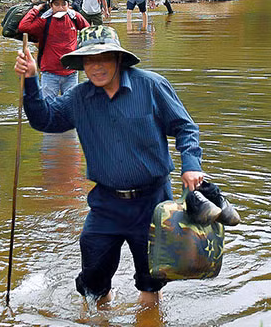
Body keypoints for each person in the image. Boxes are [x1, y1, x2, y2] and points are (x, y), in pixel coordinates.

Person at [13, 25, 206, 307]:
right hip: (105, 204)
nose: (96, 66)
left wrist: (191, 164)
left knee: (151, 281)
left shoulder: (151, 86)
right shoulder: (79, 98)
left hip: (152, 202)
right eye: (89, 60)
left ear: (118, 58)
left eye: (103, 57)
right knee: (92, 282)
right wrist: (31, 80)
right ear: (82, 63)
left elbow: (185, 127)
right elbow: (45, 120)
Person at [17, 0, 89, 99]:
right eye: (56, 4)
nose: (60, 7)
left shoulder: (74, 17)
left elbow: (88, 31)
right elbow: (24, 27)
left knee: (71, 107)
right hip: (50, 73)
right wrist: (36, 9)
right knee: (47, 107)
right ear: (51, 6)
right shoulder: (45, 20)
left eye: (63, 4)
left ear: (68, 5)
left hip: (71, 72)